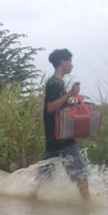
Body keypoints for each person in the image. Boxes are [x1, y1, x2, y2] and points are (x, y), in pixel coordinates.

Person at [36, 48, 89, 199]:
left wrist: (69, 101)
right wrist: (70, 94)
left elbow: (57, 106)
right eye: (70, 61)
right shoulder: (55, 83)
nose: (72, 65)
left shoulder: (57, 83)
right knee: (81, 174)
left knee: (44, 177)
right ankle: (87, 207)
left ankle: (32, 202)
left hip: (54, 137)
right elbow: (51, 107)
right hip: (62, 138)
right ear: (62, 63)